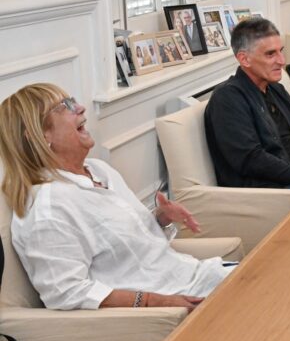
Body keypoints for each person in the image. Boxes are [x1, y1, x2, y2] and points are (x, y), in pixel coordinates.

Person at [0, 84, 230, 312]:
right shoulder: (48, 209)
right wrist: (151, 301)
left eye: (73, 100)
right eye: (64, 106)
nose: (80, 108)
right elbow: (66, 292)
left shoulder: (99, 170)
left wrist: (160, 218)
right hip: (182, 300)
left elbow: (125, 248)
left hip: (199, 275)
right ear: (39, 135)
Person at [204, 17, 290, 189]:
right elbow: (251, 159)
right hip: (270, 191)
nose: (282, 61)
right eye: (270, 54)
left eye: (281, 51)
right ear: (244, 59)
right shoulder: (227, 98)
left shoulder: (277, 90)